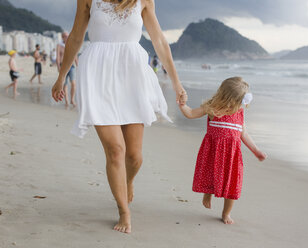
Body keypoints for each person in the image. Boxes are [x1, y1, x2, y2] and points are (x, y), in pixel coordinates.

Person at [51, 0, 187, 234]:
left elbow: (160, 41)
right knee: (115, 150)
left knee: (134, 157)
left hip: (132, 76)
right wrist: (62, 76)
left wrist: (176, 83)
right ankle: (124, 210)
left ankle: (128, 181)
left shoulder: (144, 0)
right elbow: (75, 37)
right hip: (98, 75)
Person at [178, 77, 267, 224]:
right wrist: (182, 105)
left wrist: (256, 150)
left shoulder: (239, 112)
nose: (242, 104)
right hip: (213, 152)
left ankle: (226, 213)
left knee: (232, 184)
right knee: (210, 175)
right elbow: (191, 113)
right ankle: (208, 194)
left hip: (232, 156)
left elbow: (243, 133)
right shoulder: (212, 108)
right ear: (229, 98)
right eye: (239, 100)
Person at [57, 31, 79, 108]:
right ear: (62, 37)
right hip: (63, 66)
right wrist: (58, 68)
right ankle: (66, 100)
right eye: (65, 36)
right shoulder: (59, 46)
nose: (66, 37)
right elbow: (58, 57)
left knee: (73, 83)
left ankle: (72, 100)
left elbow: (75, 55)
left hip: (71, 66)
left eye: (67, 36)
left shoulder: (71, 44)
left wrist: (78, 65)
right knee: (65, 84)